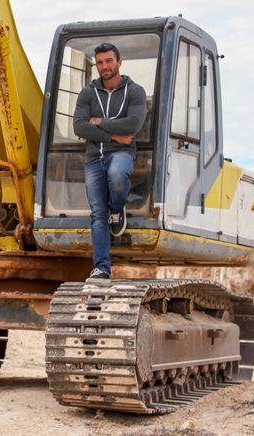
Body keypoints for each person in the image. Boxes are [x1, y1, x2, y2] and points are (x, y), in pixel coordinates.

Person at [73, 42, 147, 282]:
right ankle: (102, 268)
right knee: (97, 214)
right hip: (94, 157)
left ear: (119, 62)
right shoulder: (87, 93)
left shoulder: (135, 91)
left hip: (121, 153)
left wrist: (98, 122)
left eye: (109, 61)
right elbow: (78, 126)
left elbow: (132, 124)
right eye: (100, 62)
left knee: (117, 175)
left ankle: (118, 207)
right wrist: (112, 134)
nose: (105, 66)